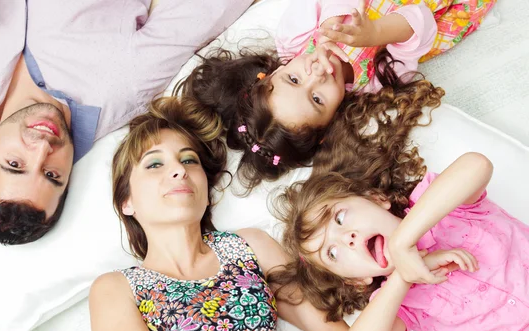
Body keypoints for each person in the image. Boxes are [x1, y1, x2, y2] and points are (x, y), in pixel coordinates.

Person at [89, 97, 359, 331]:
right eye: (154, 163)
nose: (179, 170)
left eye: (189, 160)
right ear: (127, 202)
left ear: (206, 193)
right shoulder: (115, 289)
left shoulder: (249, 248)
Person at [0, 0, 253, 245]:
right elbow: (208, 10)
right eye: (52, 174)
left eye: (15, 163)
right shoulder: (122, 87)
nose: (42, 149)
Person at [271, 152, 529, 331]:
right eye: (332, 254)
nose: (346, 239)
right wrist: (403, 276)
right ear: (356, 280)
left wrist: (402, 243)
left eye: (339, 218)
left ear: (375, 199)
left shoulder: (442, 206)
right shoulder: (402, 303)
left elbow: (477, 165)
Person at [178, 0, 494, 190]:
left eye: (293, 78)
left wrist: (336, 20)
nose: (316, 73)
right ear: (331, 122)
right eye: (317, 99)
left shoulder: (294, 36)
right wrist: (375, 34)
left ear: (269, 74)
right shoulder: (377, 83)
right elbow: (421, 23)